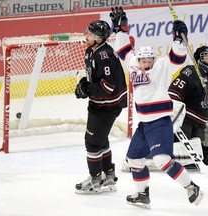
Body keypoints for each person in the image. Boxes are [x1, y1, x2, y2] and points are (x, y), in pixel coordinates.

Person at [111, 7, 204, 209]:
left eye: (149, 60)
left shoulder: (161, 67)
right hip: (143, 125)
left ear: (154, 59)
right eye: (144, 60)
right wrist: (121, 30)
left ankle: (191, 187)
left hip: (160, 123)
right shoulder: (133, 64)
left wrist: (179, 39)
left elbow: (177, 58)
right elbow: (123, 50)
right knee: (134, 159)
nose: (147, 63)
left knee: (162, 159)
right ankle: (142, 195)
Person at [74, 20, 128, 194]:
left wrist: (87, 89)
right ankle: (109, 175)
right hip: (100, 104)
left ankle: (95, 179)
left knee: (92, 142)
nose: (86, 35)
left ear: (98, 38)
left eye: (89, 34)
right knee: (101, 139)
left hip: (107, 105)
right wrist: (86, 85)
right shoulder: (92, 50)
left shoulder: (103, 55)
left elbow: (107, 87)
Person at [168, 46, 208, 168]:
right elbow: (173, 92)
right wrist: (174, 114)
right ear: (199, 59)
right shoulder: (190, 71)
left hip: (201, 123)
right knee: (180, 152)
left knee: (197, 154)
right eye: (206, 55)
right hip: (185, 120)